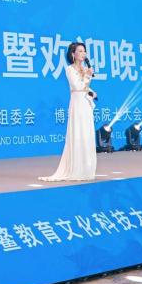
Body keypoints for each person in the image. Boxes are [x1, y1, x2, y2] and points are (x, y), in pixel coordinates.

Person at [40, 42, 97, 182]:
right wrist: (88, 76)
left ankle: (87, 169)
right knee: (78, 133)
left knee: (87, 133)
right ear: (73, 54)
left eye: (84, 51)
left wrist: (92, 92)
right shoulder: (70, 69)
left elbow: (85, 87)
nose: (83, 54)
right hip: (77, 103)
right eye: (80, 51)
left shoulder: (85, 69)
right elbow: (77, 86)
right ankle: (76, 169)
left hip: (86, 103)